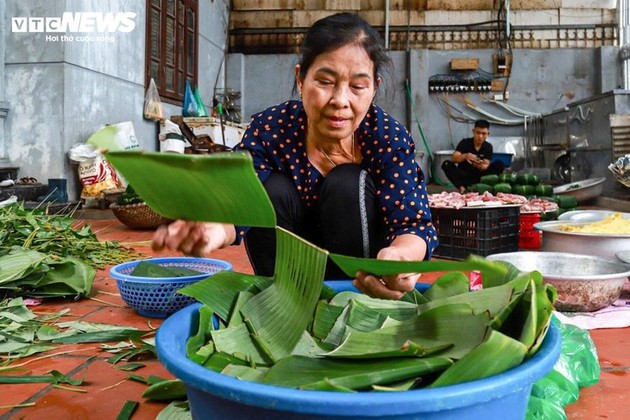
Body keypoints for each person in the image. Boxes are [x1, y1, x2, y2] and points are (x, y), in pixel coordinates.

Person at [152, 12, 438, 300]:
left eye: (357, 87)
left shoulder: (387, 137)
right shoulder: (271, 129)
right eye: (325, 81)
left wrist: (400, 258)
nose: (340, 100)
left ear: (374, 88)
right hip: (288, 276)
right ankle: (279, 301)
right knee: (271, 189)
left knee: (347, 182)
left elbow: (412, 224)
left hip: (359, 283)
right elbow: (241, 195)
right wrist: (215, 228)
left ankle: (348, 301)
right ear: (301, 79)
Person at [441, 119, 505, 193]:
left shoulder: (488, 146)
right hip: (465, 176)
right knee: (446, 164)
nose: (480, 136)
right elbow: (454, 158)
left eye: (483, 133)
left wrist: (480, 166)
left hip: (481, 177)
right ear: (473, 131)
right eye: (478, 133)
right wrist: (465, 156)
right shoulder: (464, 143)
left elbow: (486, 164)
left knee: (499, 164)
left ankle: (486, 188)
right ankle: (462, 189)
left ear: (488, 134)